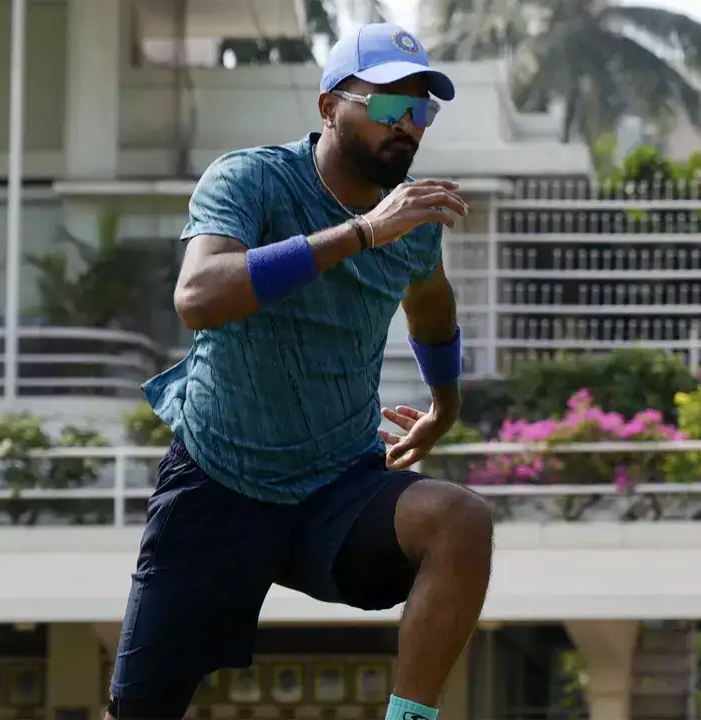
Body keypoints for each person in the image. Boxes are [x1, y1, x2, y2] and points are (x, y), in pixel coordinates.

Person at [106, 22, 495, 720]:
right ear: (328, 107)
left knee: (460, 520)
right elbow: (197, 298)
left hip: (336, 491)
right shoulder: (251, 180)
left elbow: (431, 305)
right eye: (385, 104)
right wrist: (363, 232)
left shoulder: (416, 221)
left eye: (421, 109)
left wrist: (445, 405)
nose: (406, 125)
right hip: (219, 482)